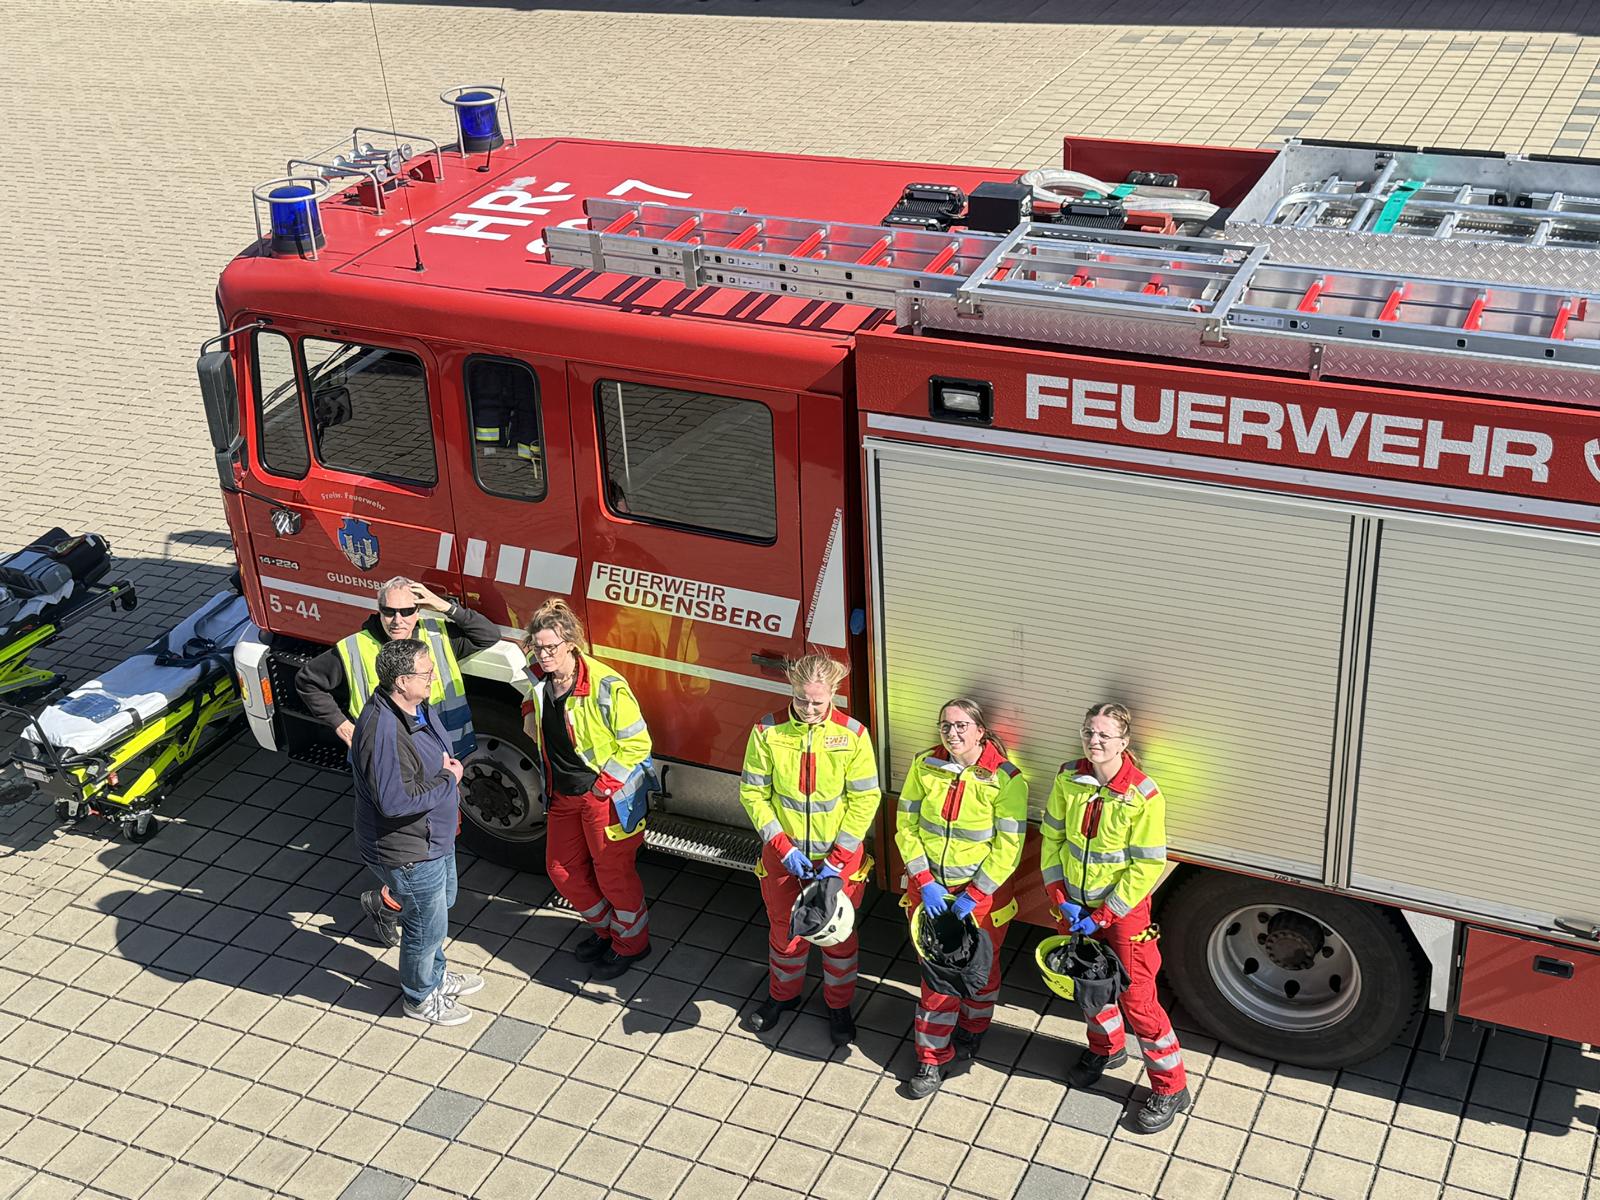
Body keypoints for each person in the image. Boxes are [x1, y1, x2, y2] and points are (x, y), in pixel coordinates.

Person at [297, 576, 499, 947]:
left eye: (407, 610)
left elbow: (488, 635)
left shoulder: (436, 637)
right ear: (378, 611)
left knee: (440, 837)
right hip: (394, 763)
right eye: (389, 611)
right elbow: (308, 681)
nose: (397, 619)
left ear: (419, 610)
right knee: (410, 845)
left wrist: (444, 606)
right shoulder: (356, 648)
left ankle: (391, 902)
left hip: (440, 762)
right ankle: (400, 906)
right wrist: (341, 725)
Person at [1041, 701, 1190, 1133]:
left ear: (1124, 742)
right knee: (1089, 986)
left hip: (1123, 914)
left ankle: (1170, 1087)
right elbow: (1052, 839)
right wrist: (1060, 896)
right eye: (1089, 732)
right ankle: (1106, 1049)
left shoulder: (1142, 795)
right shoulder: (1068, 778)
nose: (1095, 741)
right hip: (1075, 905)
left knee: (1138, 1001)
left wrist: (1105, 914)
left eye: (1105, 735)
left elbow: (1147, 865)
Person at [738, 654, 880, 1045]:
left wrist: (837, 859)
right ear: (792, 689)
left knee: (838, 938)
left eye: (818, 701)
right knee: (785, 934)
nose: (810, 709)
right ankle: (783, 996)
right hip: (786, 858)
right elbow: (753, 793)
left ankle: (839, 1006)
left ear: (833, 693)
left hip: (839, 861)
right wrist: (782, 847)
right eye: (802, 699)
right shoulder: (767, 731)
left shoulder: (852, 735)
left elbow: (865, 799)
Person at [895, 698, 1027, 1098]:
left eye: (961, 726)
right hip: (931, 891)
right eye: (946, 726)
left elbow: (1008, 847)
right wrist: (924, 880)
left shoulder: (1006, 779)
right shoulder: (925, 765)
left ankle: (973, 1028)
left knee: (982, 971)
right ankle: (932, 1059)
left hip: (979, 897)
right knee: (937, 979)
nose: (952, 733)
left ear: (980, 731)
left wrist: (974, 893)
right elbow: (906, 825)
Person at [348, 639, 483, 1026]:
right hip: (409, 851)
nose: (433, 677)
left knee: (440, 908)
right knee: (426, 924)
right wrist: (448, 780)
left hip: (433, 839)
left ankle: (435, 976)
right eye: (426, 673)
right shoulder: (384, 733)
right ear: (402, 681)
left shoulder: (416, 706)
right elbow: (394, 802)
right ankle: (420, 996)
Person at [521, 599, 655, 981]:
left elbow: (637, 744)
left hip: (605, 797)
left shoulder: (606, 685)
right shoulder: (539, 673)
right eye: (538, 647)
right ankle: (608, 931)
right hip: (563, 795)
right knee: (560, 870)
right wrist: (529, 713)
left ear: (571, 644)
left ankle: (633, 943)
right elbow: (529, 695)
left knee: (613, 874)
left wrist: (601, 790)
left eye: (551, 648)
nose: (544, 655)